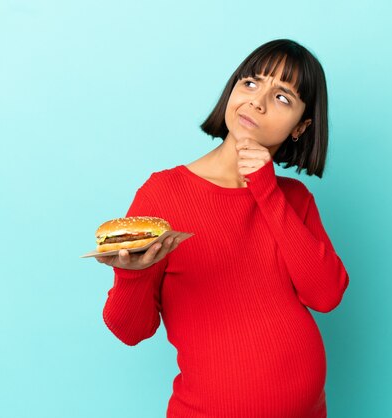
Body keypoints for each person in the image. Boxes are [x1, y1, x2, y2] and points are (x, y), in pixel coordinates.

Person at [97, 39, 350, 418]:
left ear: (301, 126)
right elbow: (130, 330)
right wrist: (130, 276)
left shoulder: (294, 199)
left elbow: (326, 295)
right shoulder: (165, 194)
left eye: (282, 97)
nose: (257, 102)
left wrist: (266, 189)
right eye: (251, 83)